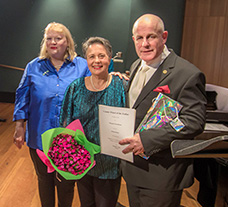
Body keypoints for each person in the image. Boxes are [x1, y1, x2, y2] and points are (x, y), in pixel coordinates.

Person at [119, 14, 207, 207]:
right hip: (134, 169)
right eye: (139, 38)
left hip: (162, 174)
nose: (145, 44)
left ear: (164, 37)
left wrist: (147, 139)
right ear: (133, 40)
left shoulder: (187, 74)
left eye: (151, 36)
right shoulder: (135, 66)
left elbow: (193, 121)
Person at [13, 22, 91, 207]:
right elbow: (22, 97)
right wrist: (19, 127)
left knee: (66, 184)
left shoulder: (81, 66)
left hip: (70, 138)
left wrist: (116, 77)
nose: (53, 42)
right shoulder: (33, 66)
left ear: (68, 42)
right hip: (40, 135)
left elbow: (95, 88)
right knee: (44, 181)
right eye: (49, 38)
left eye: (58, 38)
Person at [60, 36, 127, 207]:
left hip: (109, 164)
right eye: (92, 56)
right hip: (82, 162)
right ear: (86, 60)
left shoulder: (121, 86)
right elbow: (65, 124)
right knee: (86, 204)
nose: (97, 61)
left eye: (102, 56)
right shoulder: (75, 88)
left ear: (109, 59)